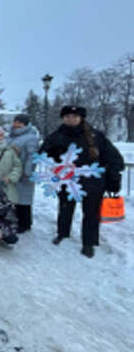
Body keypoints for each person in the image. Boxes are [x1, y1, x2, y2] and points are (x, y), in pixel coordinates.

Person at [41, 105, 124, 258]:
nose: (71, 119)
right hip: (67, 180)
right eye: (67, 117)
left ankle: (89, 242)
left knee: (91, 213)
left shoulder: (95, 136)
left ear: (81, 118)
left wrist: (113, 177)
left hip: (92, 181)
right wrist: (58, 164)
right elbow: (44, 154)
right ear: (63, 118)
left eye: (74, 117)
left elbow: (113, 157)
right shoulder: (56, 136)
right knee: (65, 208)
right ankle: (62, 233)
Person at [7, 114, 40, 232]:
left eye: (19, 123)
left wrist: (28, 172)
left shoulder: (31, 138)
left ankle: (25, 224)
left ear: (26, 124)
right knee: (14, 198)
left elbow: (32, 157)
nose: (16, 124)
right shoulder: (10, 136)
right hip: (12, 171)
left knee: (24, 199)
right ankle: (16, 220)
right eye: (15, 122)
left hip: (23, 172)